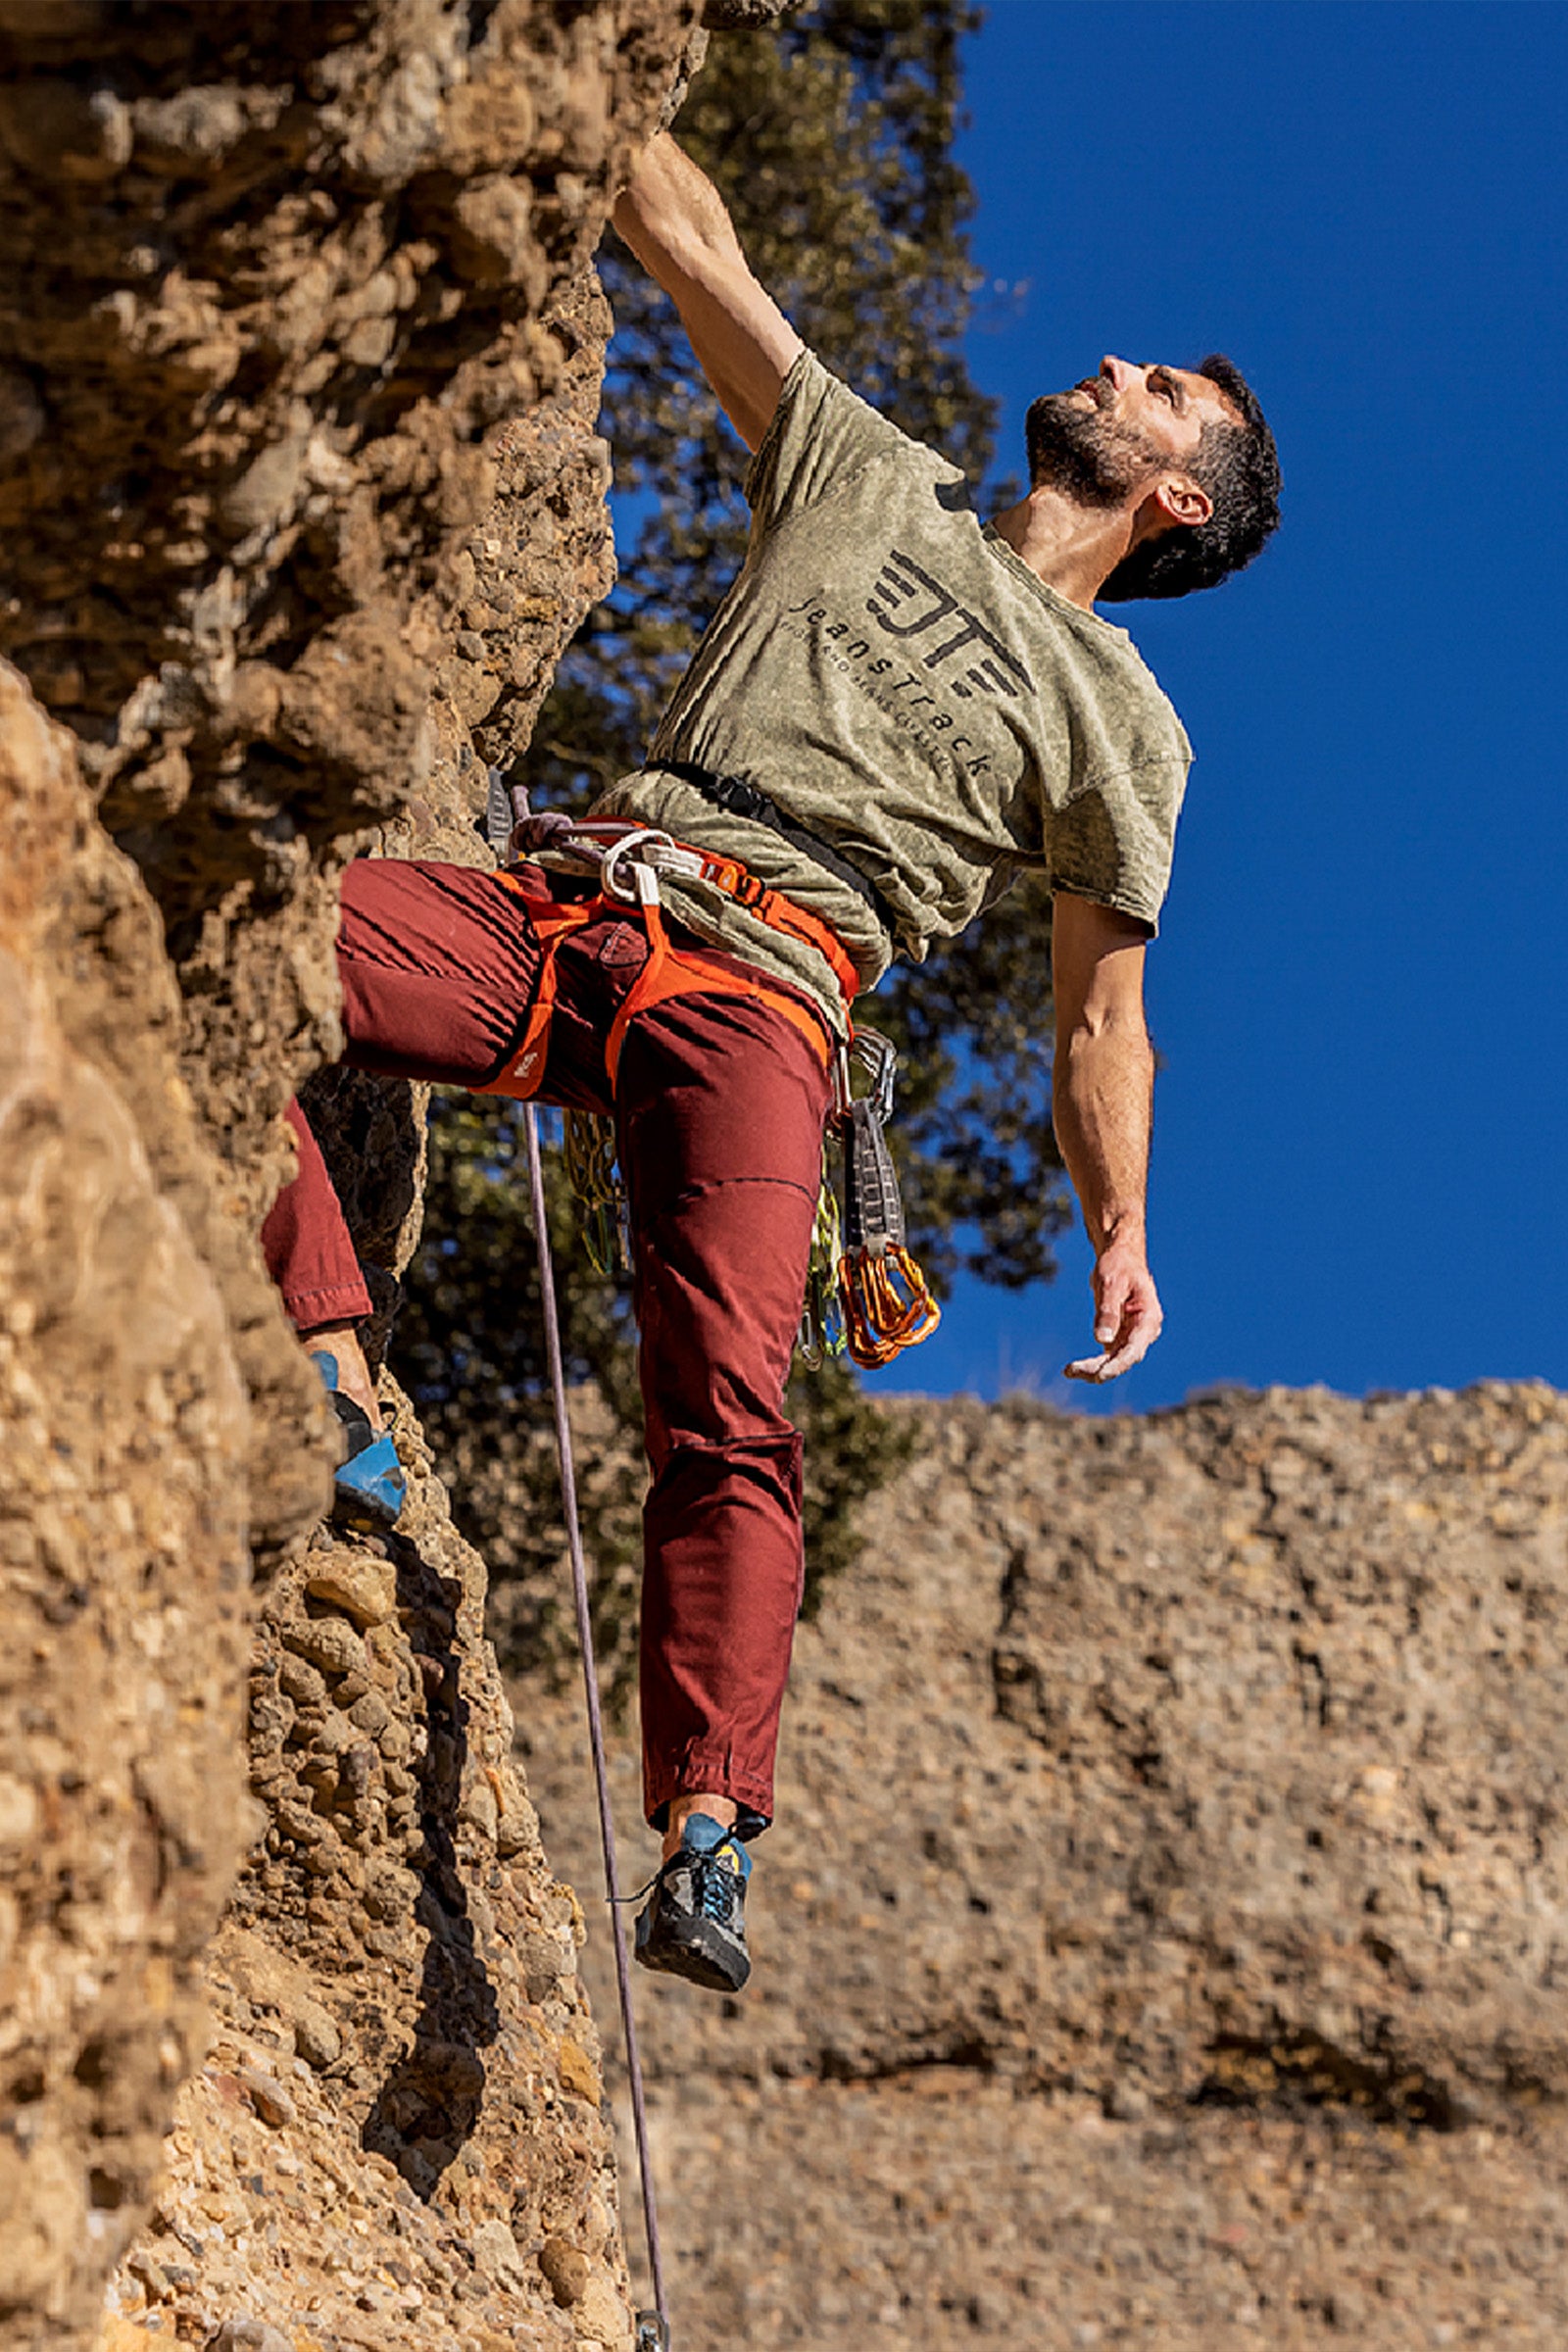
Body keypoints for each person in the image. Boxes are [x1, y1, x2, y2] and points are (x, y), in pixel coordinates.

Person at [260, 131, 1281, 1994]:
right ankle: (329, 1376)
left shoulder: (1125, 722)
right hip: (576, 908)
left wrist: (1121, 1228)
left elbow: (1097, 1014)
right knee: (235, 942)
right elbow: (689, 238)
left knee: (724, 1398)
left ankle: (710, 1835)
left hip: (767, 1004)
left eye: (1162, 393)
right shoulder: (869, 475)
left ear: (1177, 503)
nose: (1121, 365)